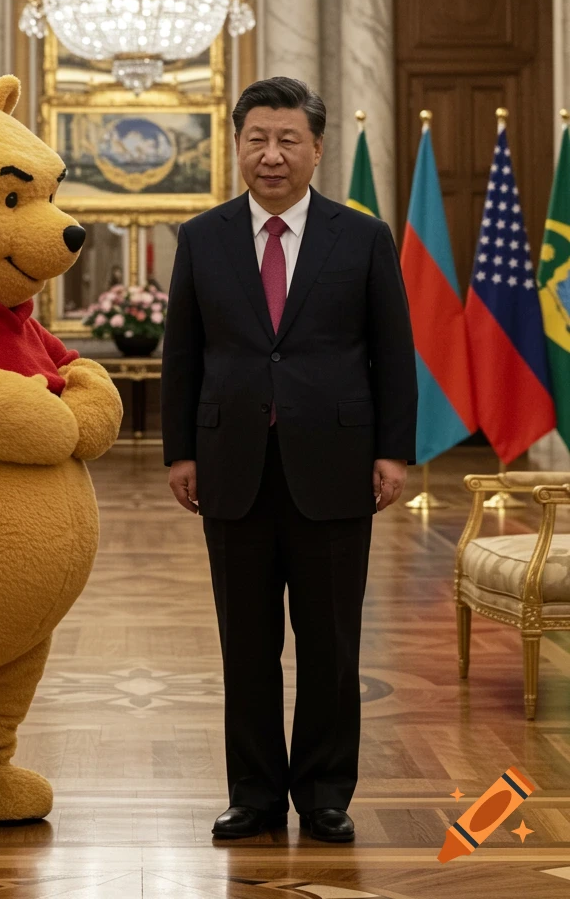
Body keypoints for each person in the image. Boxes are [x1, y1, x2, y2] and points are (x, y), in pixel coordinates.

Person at [161, 77, 417, 844]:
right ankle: (255, 796)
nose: (271, 156)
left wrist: (393, 452)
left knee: (331, 643)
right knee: (246, 644)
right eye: (256, 140)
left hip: (337, 463)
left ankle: (326, 792)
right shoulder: (202, 238)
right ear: (236, 145)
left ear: (316, 148)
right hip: (231, 463)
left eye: (288, 141)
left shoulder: (362, 236)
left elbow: (393, 353)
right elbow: (185, 354)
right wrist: (180, 452)